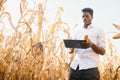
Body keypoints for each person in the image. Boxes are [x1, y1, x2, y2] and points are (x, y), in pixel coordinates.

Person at [69, 7, 106, 80]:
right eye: (83, 16)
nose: (84, 18)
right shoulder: (77, 31)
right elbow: (71, 51)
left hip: (90, 69)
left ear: (92, 17)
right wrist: (71, 47)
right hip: (74, 68)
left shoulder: (99, 30)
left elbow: (103, 51)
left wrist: (91, 45)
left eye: (87, 16)